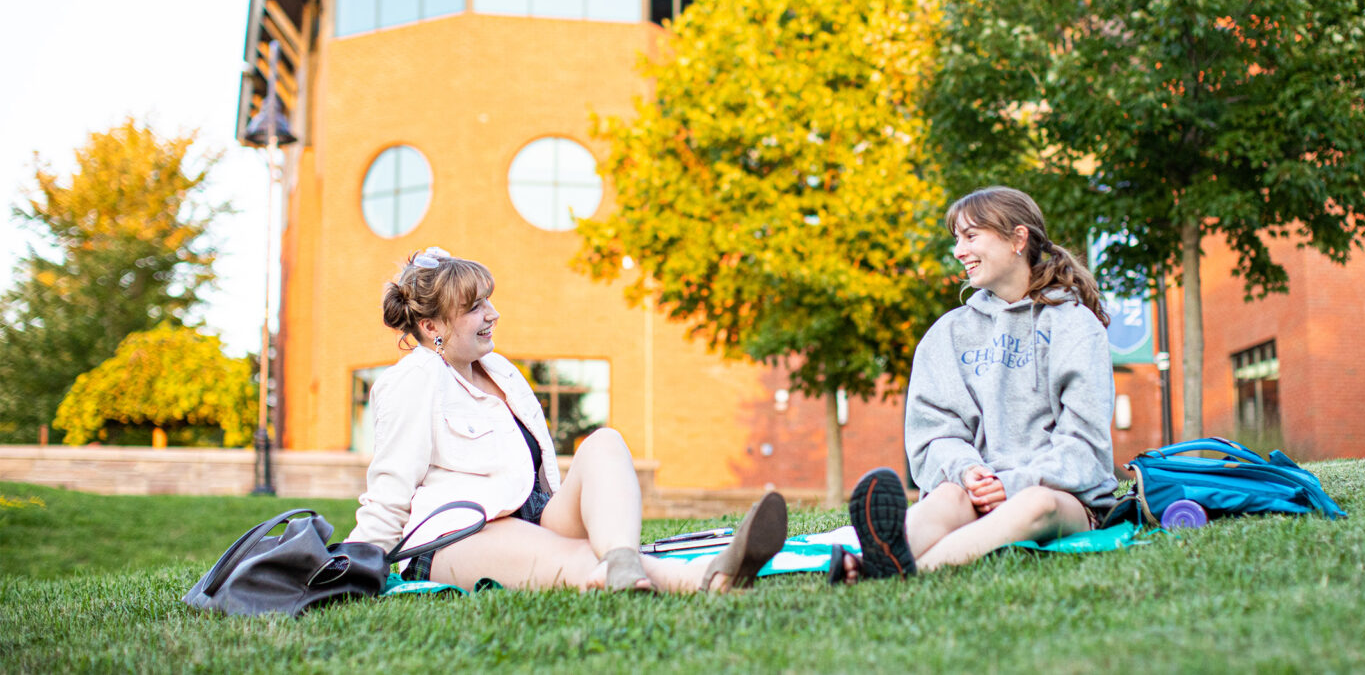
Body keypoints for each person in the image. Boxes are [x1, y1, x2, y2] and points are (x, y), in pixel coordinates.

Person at [349, 247, 787, 594]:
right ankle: (708, 578)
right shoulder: (413, 380)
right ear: (430, 326)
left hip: (533, 516)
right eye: (474, 307)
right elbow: (389, 494)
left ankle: (622, 558)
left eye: (488, 301)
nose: (492, 314)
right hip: (458, 535)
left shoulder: (498, 369)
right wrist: (352, 564)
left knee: (605, 442)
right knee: (575, 558)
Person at [832, 187, 1117, 582]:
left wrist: (1013, 483)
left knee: (1033, 504)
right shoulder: (947, 334)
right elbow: (935, 433)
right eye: (956, 239)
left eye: (971, 236)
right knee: (948, 494)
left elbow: (1085, 445)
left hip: (1062, 497)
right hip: (975, 490)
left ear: (1018, 239)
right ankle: (878, 555)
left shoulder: (1073, 324)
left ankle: (892, 574)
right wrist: (967, 471)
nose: (958, 251)